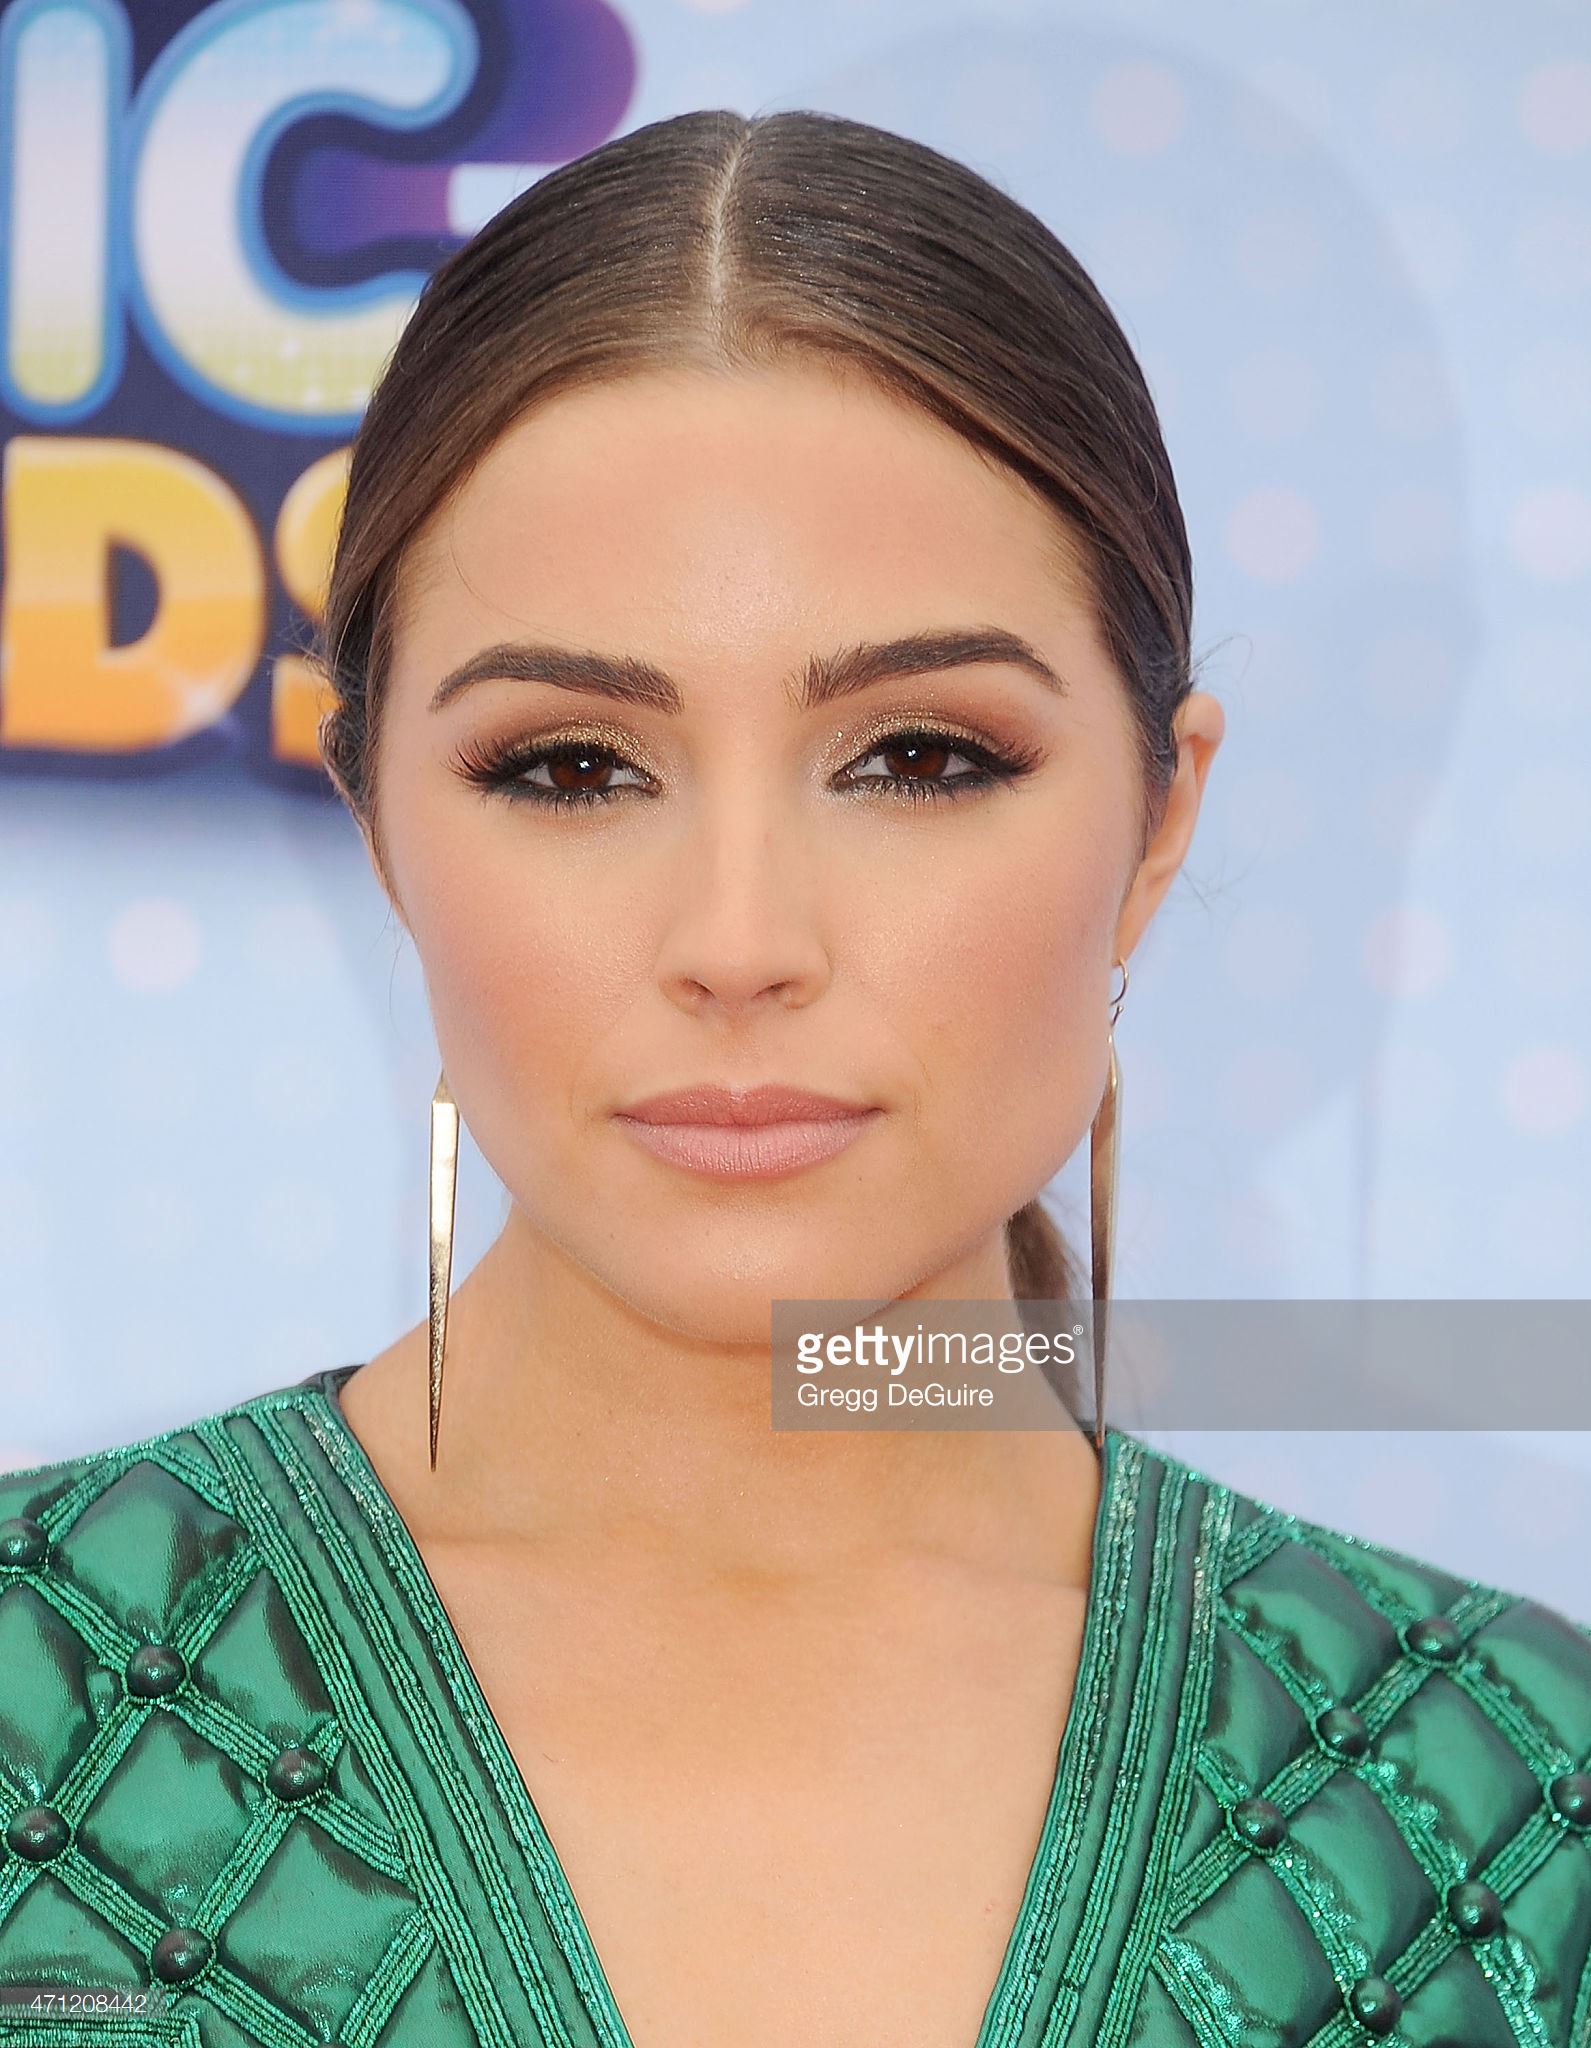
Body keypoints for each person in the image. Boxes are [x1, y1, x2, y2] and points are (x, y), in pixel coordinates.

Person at [1, 107, 1587, 2048]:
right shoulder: (25, 1694)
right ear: (380, 827)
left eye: (918, 758)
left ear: (1159, 820)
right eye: (571, 766)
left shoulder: (1525, 1809)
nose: (740, 936)